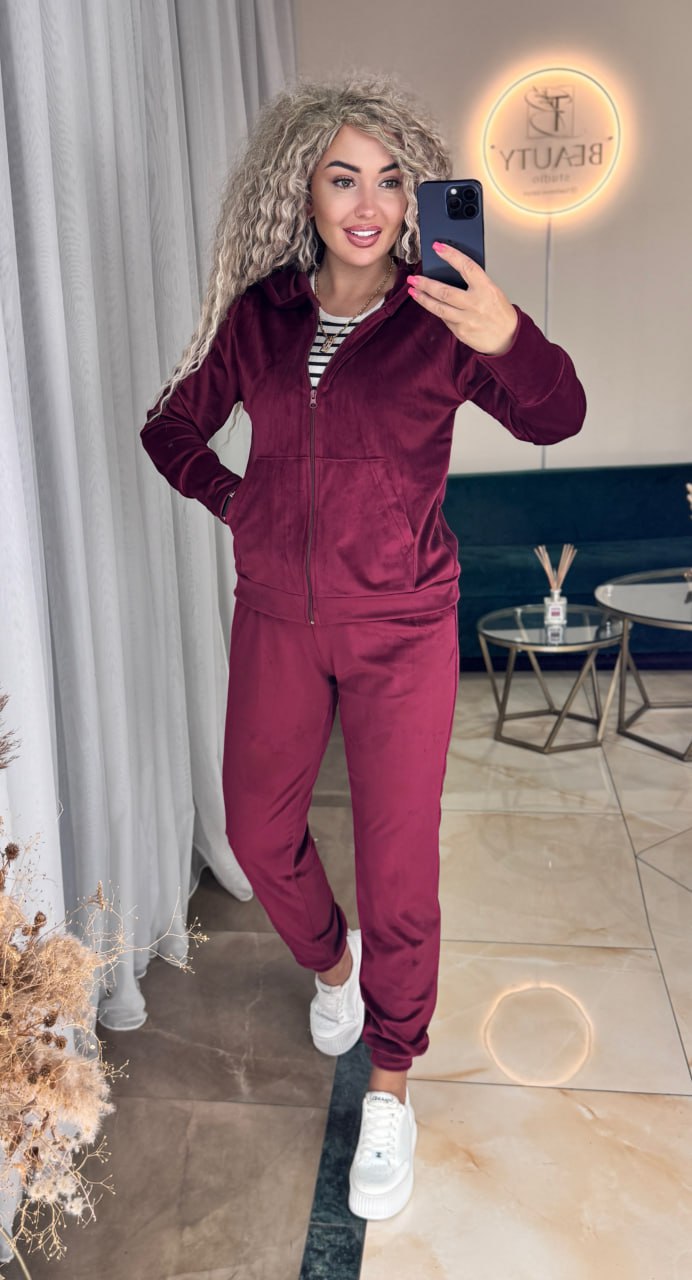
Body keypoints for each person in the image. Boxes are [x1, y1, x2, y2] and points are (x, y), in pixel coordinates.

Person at [140, 73, 585, 1221]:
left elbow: (556, 414)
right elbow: (169, 423)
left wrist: (505, 331)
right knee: (256, 829)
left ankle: (390, 1080)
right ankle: (332, 966)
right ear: (303, 186)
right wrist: (237, 501)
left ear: (412, 196)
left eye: (390, 181)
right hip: (276, 616)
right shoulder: (261, 316)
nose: (369, 204)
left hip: (402, 624)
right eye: (343, 177)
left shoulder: (442, 314)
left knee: (399, 867)